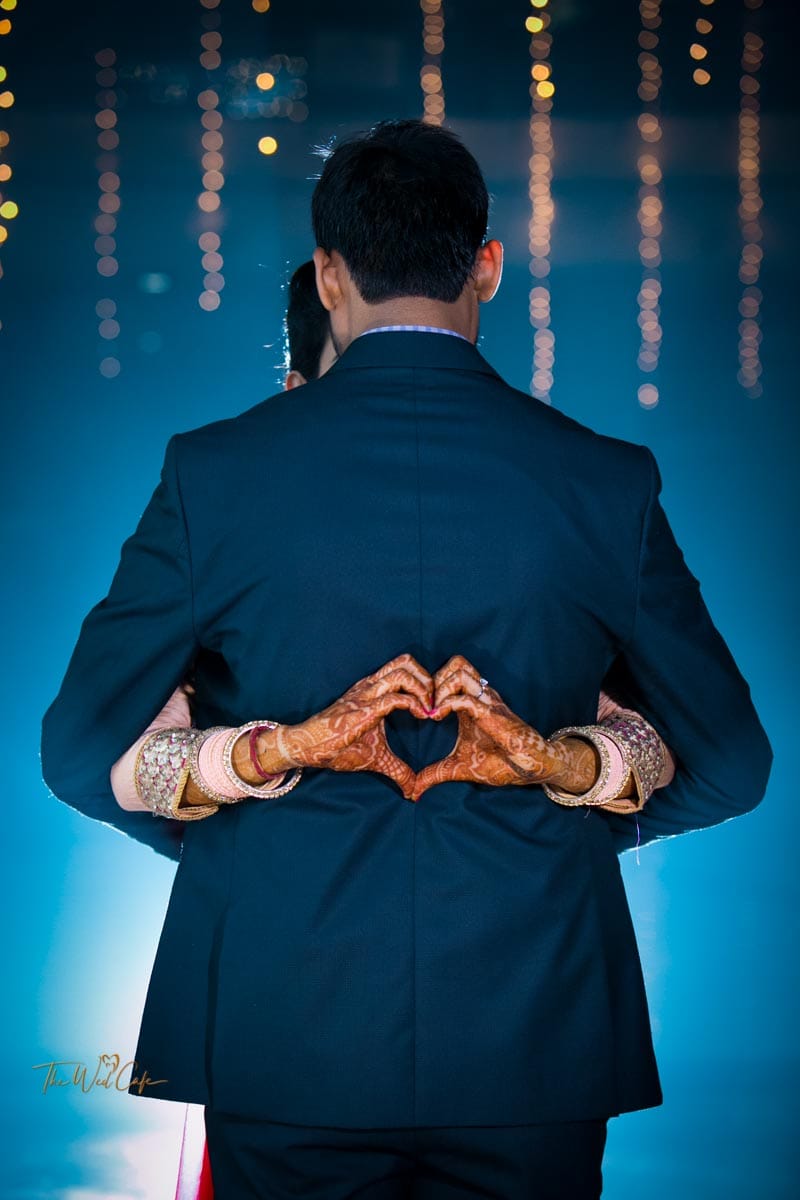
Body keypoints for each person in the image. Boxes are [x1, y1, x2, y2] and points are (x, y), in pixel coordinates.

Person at [40, 119, 772, 1199]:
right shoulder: (603, 484)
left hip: (279, 1025)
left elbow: (77, 750)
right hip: (535, 1037)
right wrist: (565, 790)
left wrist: (239, 809)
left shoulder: (215, 476)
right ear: (485, 264)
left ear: (327, 275)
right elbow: (728, 763)